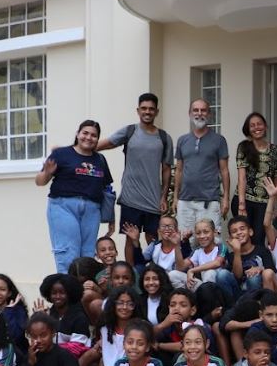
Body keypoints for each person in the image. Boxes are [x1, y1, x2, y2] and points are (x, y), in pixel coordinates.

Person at [97, 93, 174, 246]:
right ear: (138, 110)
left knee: (154, 240)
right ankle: (132, 264)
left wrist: (164, 197)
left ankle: (152, 264)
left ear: (157, 112)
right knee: (131, 239)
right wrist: (75, 149)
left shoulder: (164, 138)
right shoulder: (129, 131)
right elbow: (106, 144)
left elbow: (166, 169)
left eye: (151, 109)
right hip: (130, 198)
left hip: (153, 199)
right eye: (144, 108)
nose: (147, 112)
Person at [37, 120, 113, 272]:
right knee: (68, 253)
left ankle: (83, 286)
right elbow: (40, 182)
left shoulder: (100, 160)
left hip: (92, 210)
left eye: (93, 135)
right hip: (63, 207)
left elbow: (107, 190)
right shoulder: (61, 154)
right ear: (77, 134)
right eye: (85, 133)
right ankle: (67, 285)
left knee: (87, 255)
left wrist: (111, 218)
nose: (88, 137)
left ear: (97, 139)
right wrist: (47, 173)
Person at [174, 98, 230, 241]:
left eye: (203, 110)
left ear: (209, 114)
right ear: (190, 113)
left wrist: (226, 199)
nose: (199, 113)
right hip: (185, 201)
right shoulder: (182, 140)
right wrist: (175, 198)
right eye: (196, 110)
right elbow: (179, 170)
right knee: (186, 242)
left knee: (212, 241)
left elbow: (224, 170)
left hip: (209, 201)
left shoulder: (219, 140)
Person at [235, 111, 277, 249]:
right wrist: (241, 205)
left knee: (259, 238)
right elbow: (242, 177)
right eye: (252, 125)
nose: (256, 128)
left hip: (265, 203)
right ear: (248, 129)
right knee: (244, 238)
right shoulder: (244, 147)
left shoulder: (275, 150)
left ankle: (258, 263)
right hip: (244, 200)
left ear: (265, 126)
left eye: (259, 124)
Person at [215, 215, 276, 303]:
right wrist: (237, 251)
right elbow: (238, 276)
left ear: (250, 232)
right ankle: (232, 306)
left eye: (242, 229)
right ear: (231, 238)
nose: (239, 233)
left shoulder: (262, 251)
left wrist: (260, 268)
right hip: (238, 293)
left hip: (258, 291)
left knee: (253, 278)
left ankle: (254, 306)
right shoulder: (232, 255)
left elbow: (271, 270)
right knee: (221, 274)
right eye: (234, 231)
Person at [186, 219, 225, 289]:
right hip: (202, 285)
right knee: (174, 275)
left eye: (206, 232)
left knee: (210, 273)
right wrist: (177, 244)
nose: (202, 236)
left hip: (218, 288)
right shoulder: (197, 251)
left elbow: (217, 263)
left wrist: (192, 270)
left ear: (214, 232)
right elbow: (181, 267)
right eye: (198, 233)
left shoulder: (221, 247)